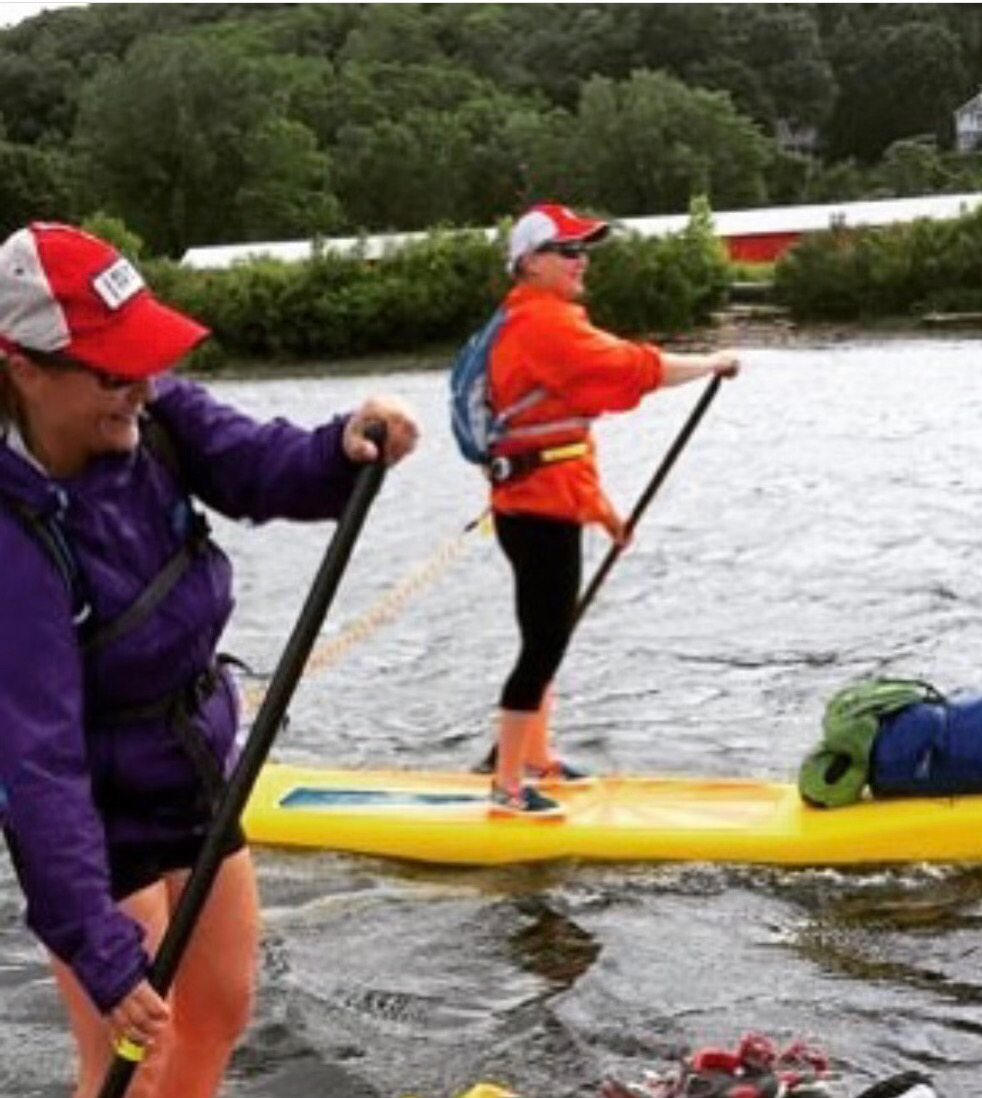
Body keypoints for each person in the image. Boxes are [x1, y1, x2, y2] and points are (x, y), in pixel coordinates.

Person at [0, 222, 419, 1098]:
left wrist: (339, 444)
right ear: (23, 366)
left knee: (222, 1009)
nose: (141, 386)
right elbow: (37, 765)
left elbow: (265, 465)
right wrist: (100, 949)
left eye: (144, 359)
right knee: (131, 1058)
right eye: (113, 370)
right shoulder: (13, 536)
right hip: (94, 816)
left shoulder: (153, 417)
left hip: (194, 772)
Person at [486, 203, 740, 818]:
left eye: (584, 250)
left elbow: (561, 441)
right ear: (529, 263)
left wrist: (602, 511)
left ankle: (535, 759)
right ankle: (506, 785)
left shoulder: (532, 321)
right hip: (535, 511)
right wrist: (709, 363)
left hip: (541, 504)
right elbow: (631, 367)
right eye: (568, 250)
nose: (582, 261)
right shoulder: (542, 325)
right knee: (542, 644)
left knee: (547, 636)